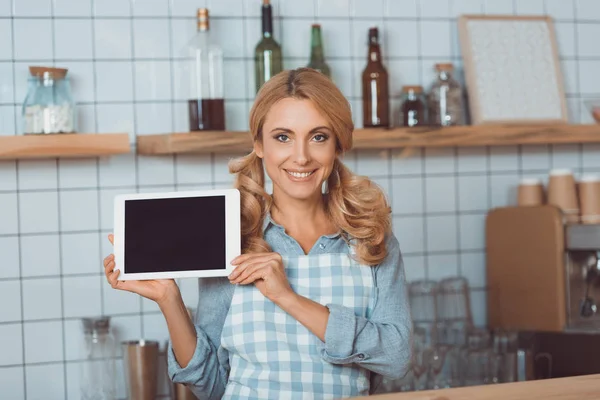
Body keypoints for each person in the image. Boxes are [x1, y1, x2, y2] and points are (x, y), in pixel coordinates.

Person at [103, 68, 412, 399]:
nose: (301, 156)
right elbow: (211, 384)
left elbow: (396, 359)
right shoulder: (233, 238)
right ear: (259, 145)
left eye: (318, 136)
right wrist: (168, 298)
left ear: (338, 144)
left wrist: (288, 297)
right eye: (283, 137)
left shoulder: (369, 238)